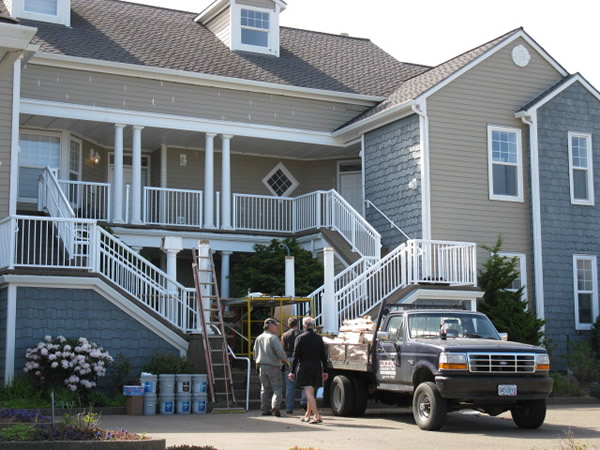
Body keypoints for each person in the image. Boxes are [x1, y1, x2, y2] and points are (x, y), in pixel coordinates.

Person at [289, 316, 328, 424]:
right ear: (314, 326)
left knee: (308, 393)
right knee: (311, 392)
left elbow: (296, 356)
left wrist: (292, 371)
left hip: (304, 367)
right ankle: (307, 415)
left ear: (303, 326)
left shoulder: (300, 338)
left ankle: (317, 415)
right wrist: (325, 370)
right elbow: (323, 356)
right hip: (317, 367)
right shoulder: (319, 338)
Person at [253, 318, 289, 417]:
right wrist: (286, 362)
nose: (276, 327)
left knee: (264, 388)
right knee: (277, 387)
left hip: (261, 366)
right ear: (270, 326)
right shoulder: (273, 338)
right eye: (275, 325)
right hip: (273, 366)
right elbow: (280, 353)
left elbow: (255, 353)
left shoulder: (258, 338)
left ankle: (264, 409)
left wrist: (257, 364)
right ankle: (275, 406)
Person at [281, 317, 306, 414]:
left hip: (289, 359)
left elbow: (282, 348)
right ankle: (304, 401)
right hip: (300, 359)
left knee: (289, 385)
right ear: (297, 324)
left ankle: (289, 407)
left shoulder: (284, 335)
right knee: (304, 382)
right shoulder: (302, 334)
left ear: (288, 325)